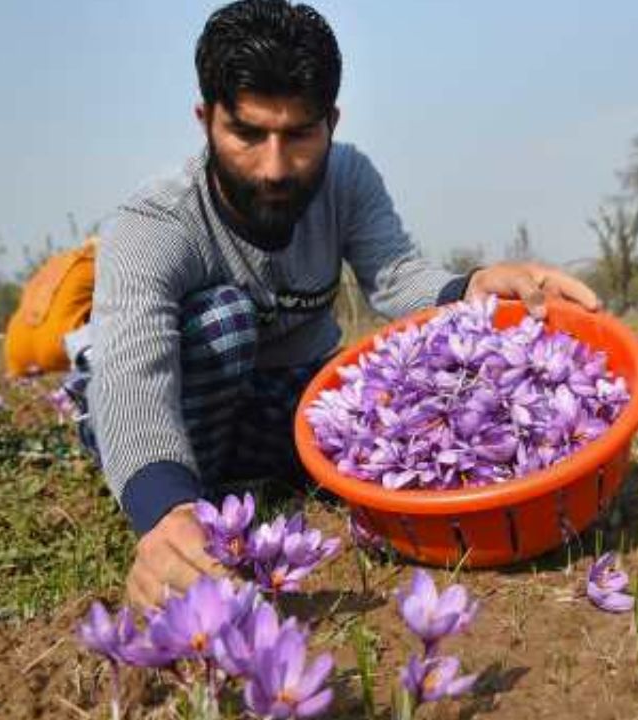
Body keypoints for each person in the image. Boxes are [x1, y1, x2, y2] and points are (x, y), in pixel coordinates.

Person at [72, 0, 601, 608]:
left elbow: (396, 275)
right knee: (225, 321)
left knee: (378, 398)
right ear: (206, 120)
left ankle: (252, 473)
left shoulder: (347, 178)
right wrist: (163, 505)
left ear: (332, 121)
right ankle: (195, 494)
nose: (274, 167)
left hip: (280, 390)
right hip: (180, 389)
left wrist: (473, 287)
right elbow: (131, 375)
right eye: (246, 133)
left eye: (299, 134)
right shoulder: (157, 222)